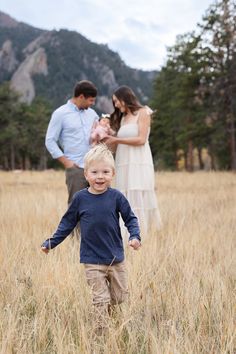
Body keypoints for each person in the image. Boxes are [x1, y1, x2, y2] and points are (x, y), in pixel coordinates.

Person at [41, 144, 141, 333]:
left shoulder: (117, 197)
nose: (100, 176)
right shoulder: (80, 199)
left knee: (120, 297)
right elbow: (67, 223)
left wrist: (135, 236)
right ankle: (100, 331)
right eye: (94, 172)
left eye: (105, 172)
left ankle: (110, 315)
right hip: (92, 259)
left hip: (115, 257)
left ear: (112, 174)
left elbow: (130, 218)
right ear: (86, 175)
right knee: (100, 298)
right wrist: (51, 242)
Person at [105, 85, 162, 236]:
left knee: (138, 191)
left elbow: (141, 139)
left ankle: (141, 233)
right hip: (123, 162)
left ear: (125, 98)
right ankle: (126, 234)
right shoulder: (123, 118)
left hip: (139, 161)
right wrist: (107, 140)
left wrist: (116, 139)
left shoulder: (143, 112)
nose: (116, 105)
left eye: (117, 101)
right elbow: (119, 145)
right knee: (125, 195)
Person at [45, 80, 99, 204]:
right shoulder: (60, 114)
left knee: (98, 206)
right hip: (76, 169)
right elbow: (50, 140)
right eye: (91, 100)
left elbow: (99, 135)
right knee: (77, 207)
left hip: (96, 168)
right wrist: (66, 162)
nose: (93, 103)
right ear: (81, 97)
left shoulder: (92, 114)